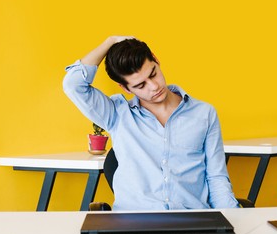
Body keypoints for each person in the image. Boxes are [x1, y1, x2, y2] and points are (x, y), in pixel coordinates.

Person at [63, 36, 239, 210]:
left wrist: (234, 220)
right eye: (140, 86)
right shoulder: (116, 114)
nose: (154, 86)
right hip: (134, 224)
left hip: (192, 221)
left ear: (156, 59)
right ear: (125, 88)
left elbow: (216, 178)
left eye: (153, 74)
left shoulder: (204, 114)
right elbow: (73, 84)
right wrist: (110, 41)